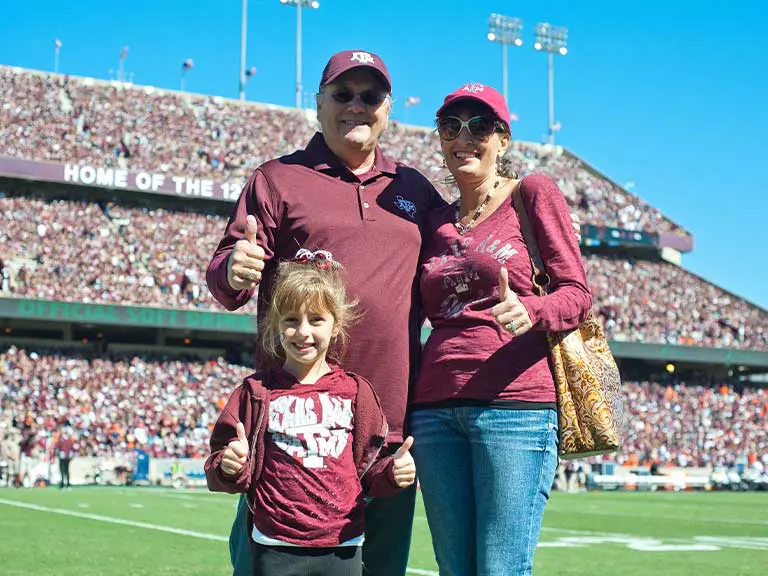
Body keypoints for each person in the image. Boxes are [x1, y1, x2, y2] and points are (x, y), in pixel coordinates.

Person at [206, 49, 443, 576]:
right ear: (318, 104)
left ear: (389, 108)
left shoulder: (415, 189)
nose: (356, 106)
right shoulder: (276, 179)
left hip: (386, 427)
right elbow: (225, 278)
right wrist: (234, 267)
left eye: (371, 96)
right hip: (296, 424)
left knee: (380, 569)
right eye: (343, 94)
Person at [409, 82, 593, 576]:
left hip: (516, 408)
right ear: (441, 139)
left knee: (501, 568)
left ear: (503, 139)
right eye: (451, 126)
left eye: (480, 126)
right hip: (434, 411)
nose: (463, 137)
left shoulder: (531, 194)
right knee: (454, 568)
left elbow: (577, 294)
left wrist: (532, 312)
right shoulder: (433, 222)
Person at [205, 251, 416, 576]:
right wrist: (230, 465)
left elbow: (369, 472)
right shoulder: (255, 393)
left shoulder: (356, 392)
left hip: (341, 546)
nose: (303, 332)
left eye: (316, 319)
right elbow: (223, 462)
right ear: (276, 326)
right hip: (274, 545)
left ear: (336, 326)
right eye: (291, 320)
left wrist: (393, 473)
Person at [55, 425, 75, 490]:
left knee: (65, 471)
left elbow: (72, 449)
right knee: (64, 471)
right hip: (64, 456)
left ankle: (66, 484)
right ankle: (65, 484)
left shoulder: (65, 440)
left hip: (65, 457)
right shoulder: (66, 440)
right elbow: (57, 448)